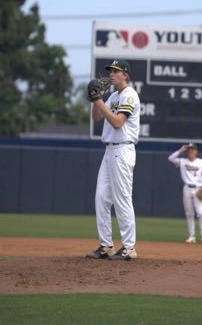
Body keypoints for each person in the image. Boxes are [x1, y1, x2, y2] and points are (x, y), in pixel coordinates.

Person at [86, 59, 140, 260]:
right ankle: (106, 245)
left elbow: (118, 122)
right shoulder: (114, 96)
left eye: (116, 71)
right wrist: (96, 99)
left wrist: (99, 100)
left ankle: (129, 247)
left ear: (125, 74)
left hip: (123, 150)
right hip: (109, 152)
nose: (111, 74)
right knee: (101, 198)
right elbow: (97, 117)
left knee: (122, 199)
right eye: (110, 70)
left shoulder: (129, 95)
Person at [168, 143, 202, 245]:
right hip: (187, 188)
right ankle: (191, 236)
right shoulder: (182, 161)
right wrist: (181, 150)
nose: (191, 151)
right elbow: (170, 158)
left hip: (198, 189)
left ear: (196, 151)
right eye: (189, 149)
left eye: (193, 149)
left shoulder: (201, 162)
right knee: (189, 214)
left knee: (200, 213)